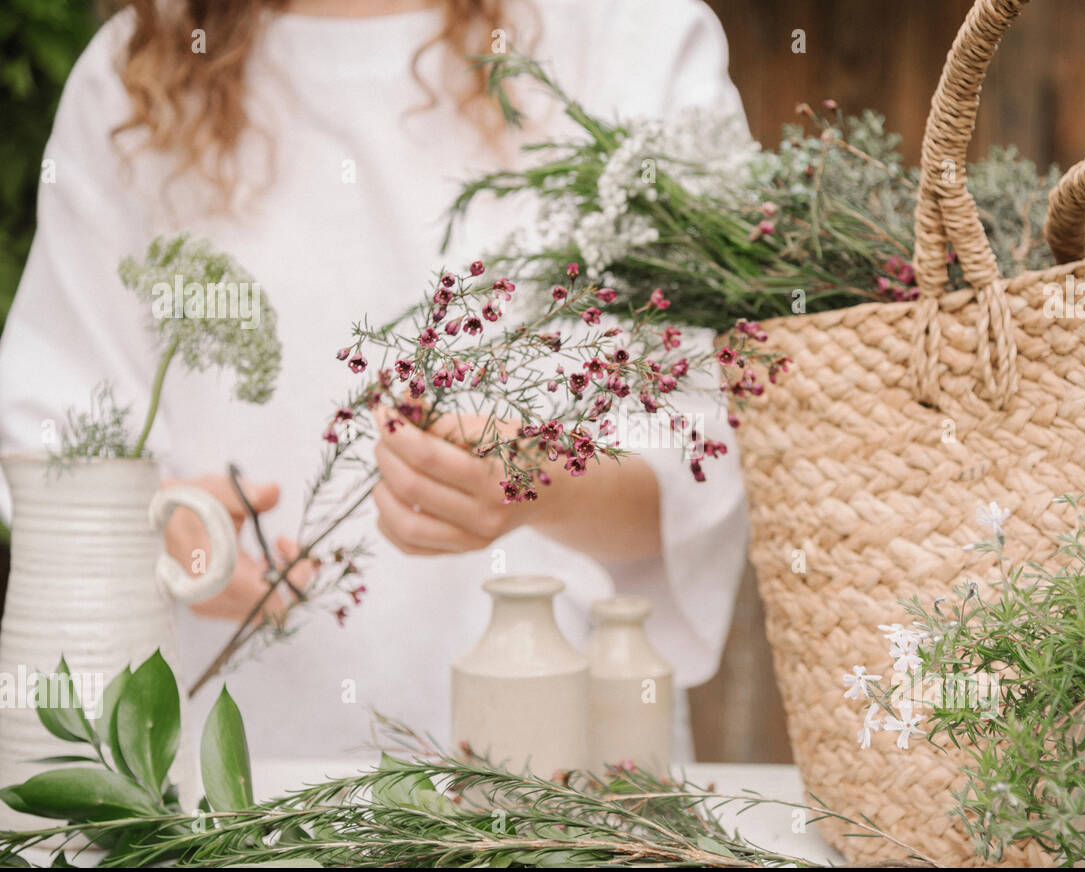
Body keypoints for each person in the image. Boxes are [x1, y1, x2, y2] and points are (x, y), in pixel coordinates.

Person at [0, 0, 750, 763]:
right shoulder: (132, 75)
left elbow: (709, 462)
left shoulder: (630, 30)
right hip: (219, 777)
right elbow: (54, 427)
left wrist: (534, 484)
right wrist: (149, 526)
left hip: (565, 779)